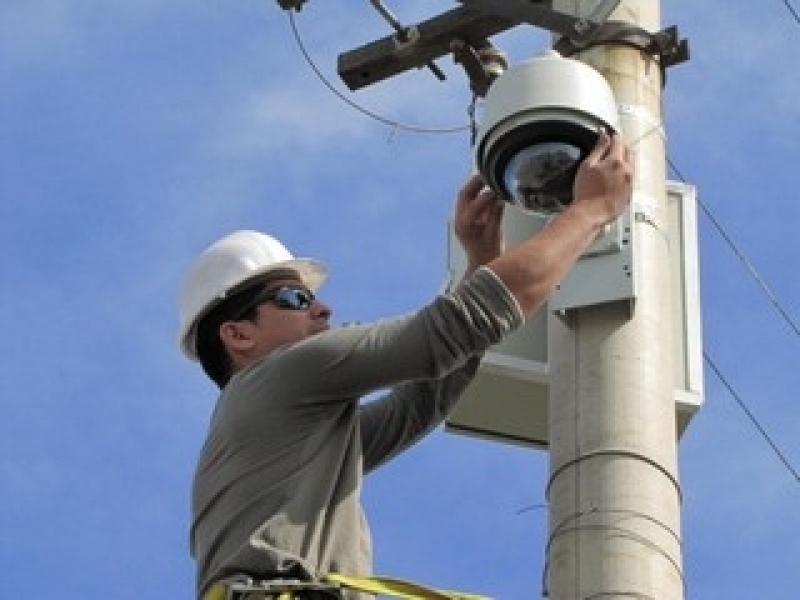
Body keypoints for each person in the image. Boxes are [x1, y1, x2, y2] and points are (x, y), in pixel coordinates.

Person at [179, 131, 633, 600]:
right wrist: (590, 211)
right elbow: (455, 328)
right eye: (295, 299)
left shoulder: (293, 433)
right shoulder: (287, 373)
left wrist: (479, 264)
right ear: (238, 335)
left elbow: (421, 399)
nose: (322, 310)